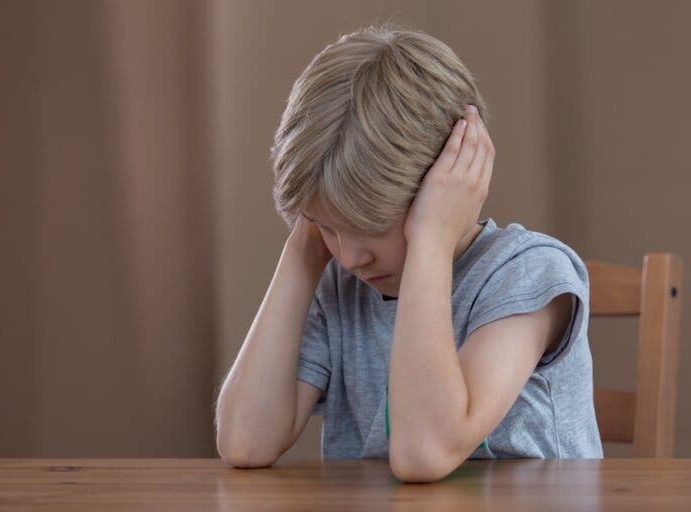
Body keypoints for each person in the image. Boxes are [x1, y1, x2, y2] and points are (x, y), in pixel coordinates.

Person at [214, 23, 603, 483]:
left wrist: (431, 240)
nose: (350, 258)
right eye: (328, 228)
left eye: (372, 227)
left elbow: (424, 451)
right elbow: (246, 441)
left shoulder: (527, 275)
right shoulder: (339, 285)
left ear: (448, 180)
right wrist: (303, 250)